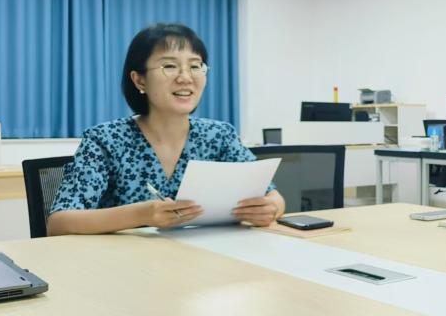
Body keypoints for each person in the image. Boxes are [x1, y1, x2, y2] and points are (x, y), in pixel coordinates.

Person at [47, 23, 284, 235]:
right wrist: (142, 215)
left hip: (206, 260)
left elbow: (274, 197)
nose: (186, 77)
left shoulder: (219, 135)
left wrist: (270, 208)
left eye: (195, 66)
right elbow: (59, 222)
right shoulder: (105, 139)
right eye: (169, 66)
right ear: (139, 80)